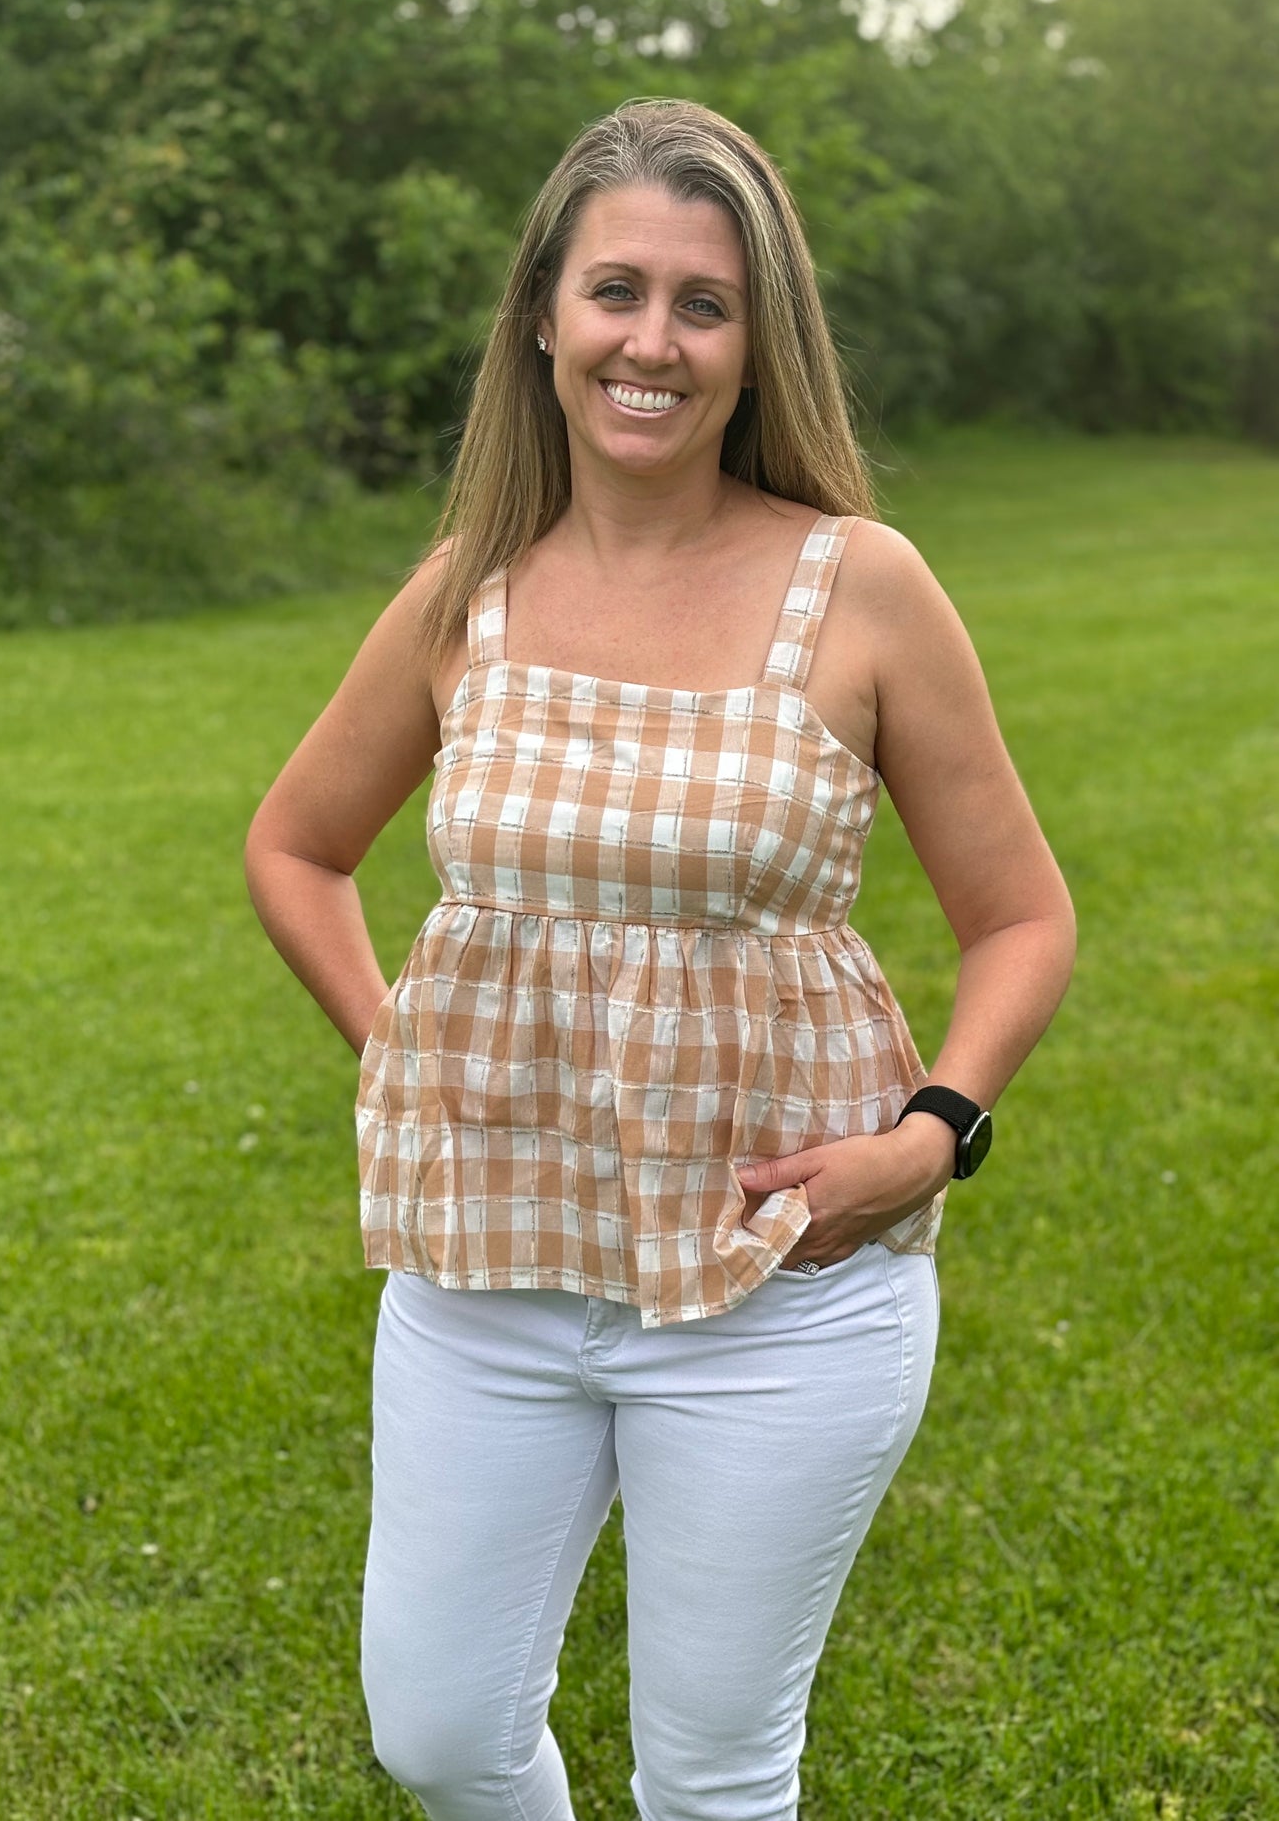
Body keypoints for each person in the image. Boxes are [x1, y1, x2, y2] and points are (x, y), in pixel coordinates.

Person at [244, 98, 1076, 1820]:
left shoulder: (861, 588)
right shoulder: (464, 590)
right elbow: (295, 846)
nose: (652, 341)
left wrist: (932, 1132)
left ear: (757, 344)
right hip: (487, 1276)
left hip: (783, 1281)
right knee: (441, 1733)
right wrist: (395, 1041)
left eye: (703, 304)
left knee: (710, 1779)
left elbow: (1021, 916)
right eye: (615, 290)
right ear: (542, 315)